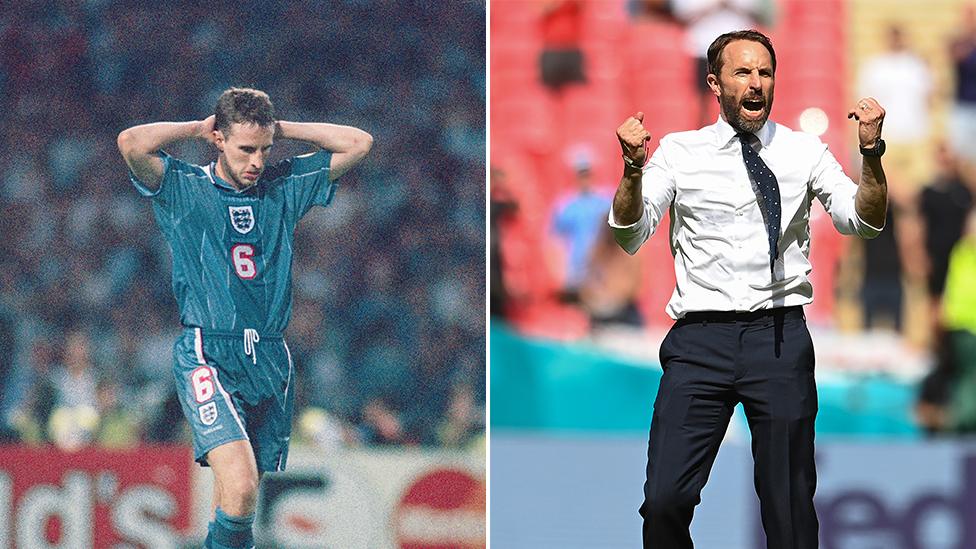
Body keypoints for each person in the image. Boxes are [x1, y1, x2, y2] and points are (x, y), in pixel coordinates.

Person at [610, 30, 887, 548]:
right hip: (699, 342)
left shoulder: (805, 151)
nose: (756, 83)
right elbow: (630, 232)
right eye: (742, 72)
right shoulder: (679, 151)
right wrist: (631, 169)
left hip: (777, 338)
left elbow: (863, 221)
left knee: (789, 510)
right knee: (665, 501)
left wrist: (871, 154)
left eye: (764, 72)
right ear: (715, 83)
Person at [117, 87, 372, 549]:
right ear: (218, 139)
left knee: (235, 502)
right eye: (245, 149)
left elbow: (359, 143)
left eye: (265, 149)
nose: (257, 161)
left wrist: (283, 129)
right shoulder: (184, 186)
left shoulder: (284, 186)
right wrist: (196, 127)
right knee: (241, 489)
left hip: (269, 357)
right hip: (208, 352)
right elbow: (132, 143)